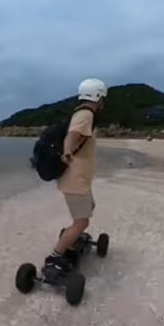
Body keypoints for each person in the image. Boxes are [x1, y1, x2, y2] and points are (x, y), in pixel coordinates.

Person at [44, 78, 106, 272]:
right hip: (75, 180)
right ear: (97, 97)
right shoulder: (86, 114)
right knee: (82, 221)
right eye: (102, 97)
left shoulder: (83, 113)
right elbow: (72, 135)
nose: (103, 102)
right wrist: (68, 152)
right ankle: (55, 257)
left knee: (89, 208)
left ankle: (71, 236)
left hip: (78, 179)